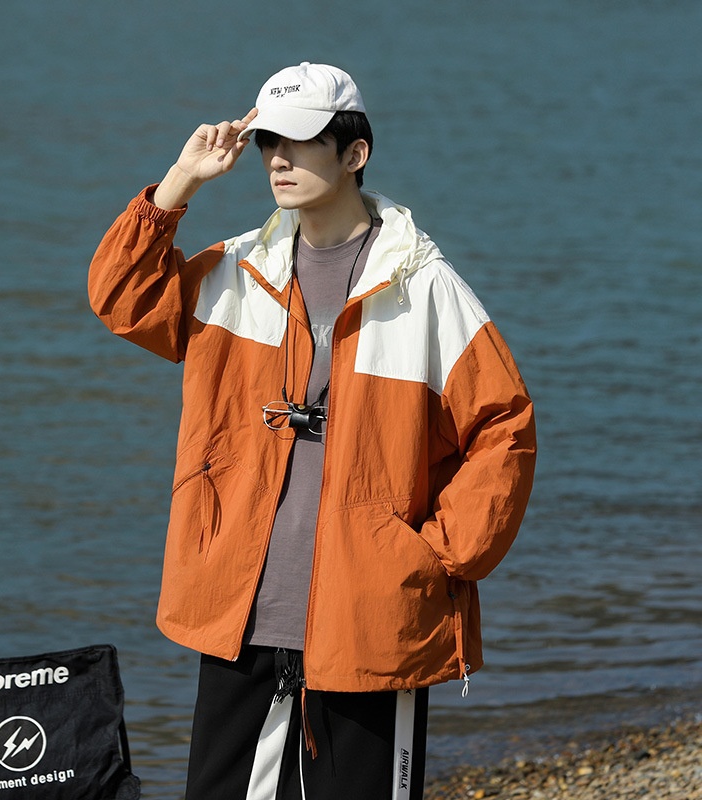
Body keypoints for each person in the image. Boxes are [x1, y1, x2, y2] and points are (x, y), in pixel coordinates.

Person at [88, 62, 536, 800]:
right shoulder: (235, 269)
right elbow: (122, 298)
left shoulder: (425, 287)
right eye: (269, 142)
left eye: (299, 142)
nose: (278, 159)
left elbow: (504, 430)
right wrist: (180, 182)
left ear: (355, 153)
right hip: (239, 607)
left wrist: (432, 556)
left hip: (371, 616)